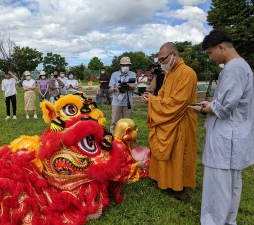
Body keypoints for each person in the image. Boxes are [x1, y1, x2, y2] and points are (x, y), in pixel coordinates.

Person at [189, 29, 254, 225]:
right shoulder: (243, 67)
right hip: (235, 135)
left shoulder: (233, 68)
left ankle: (214, 221)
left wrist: (204, 108)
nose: (210, 58)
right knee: (231, 185)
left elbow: (224, 108)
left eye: (210, 53)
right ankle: (227, 220)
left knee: (219, 186)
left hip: (227, 137)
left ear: (221, 47)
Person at [142, 42, 197, 201]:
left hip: (180, 120)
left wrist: (154, 101)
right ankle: (161, 178)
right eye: (159, 60)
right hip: (166, 118)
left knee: (178, 155)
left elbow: (179, 103)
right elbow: (163, 96)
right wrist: (151, 99)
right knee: (163, 152)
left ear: (174, 55)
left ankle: (178, 188)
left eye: (163, 59)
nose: (161, 63)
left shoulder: (188, 73)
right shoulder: (169, 73)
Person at [109, 56, 137, 133]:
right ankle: (112, 139)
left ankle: (125, 138)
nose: (126, 67)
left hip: (128, 102)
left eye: (128, 65)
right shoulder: (114, 74)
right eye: (124, 65)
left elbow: (134, 87)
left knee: (127, 123)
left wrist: (127, 85)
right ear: (120, 65)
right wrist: (116, 89)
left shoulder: (132, 74)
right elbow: (110, 88)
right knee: (114, 122)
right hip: (116, 102)